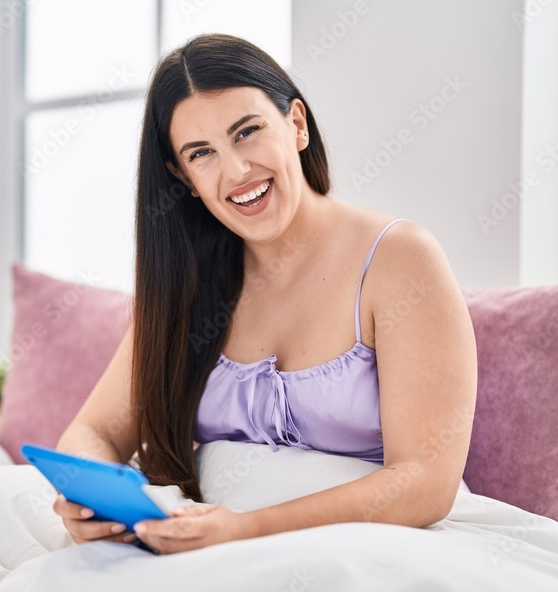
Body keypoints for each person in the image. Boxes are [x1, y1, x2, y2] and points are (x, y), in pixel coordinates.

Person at [52, 33, 477, 555]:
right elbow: (90, 432)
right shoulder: (187, 284)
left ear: (296, 124)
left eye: (247, 132)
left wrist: (245, 530)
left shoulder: (399, 259)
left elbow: (426, 481)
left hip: (364, 553)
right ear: (182, 177)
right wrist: (90, 498)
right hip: (206, 550)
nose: (236, 171)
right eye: (201, 153)